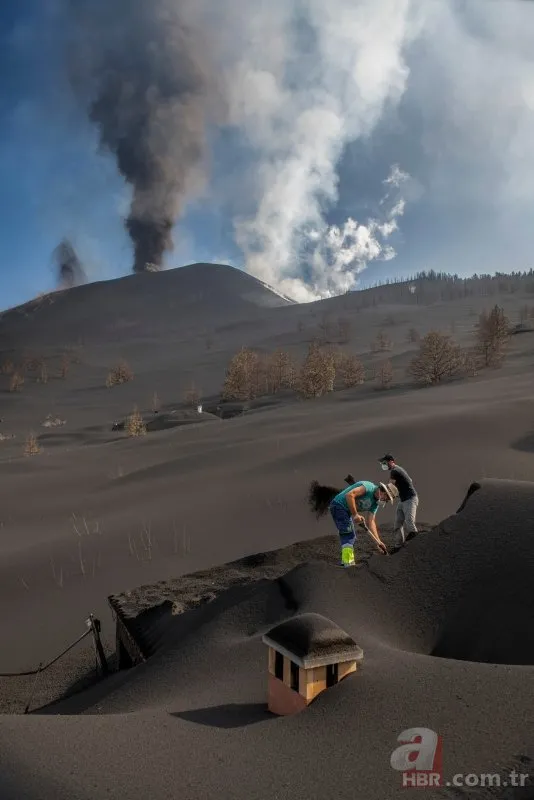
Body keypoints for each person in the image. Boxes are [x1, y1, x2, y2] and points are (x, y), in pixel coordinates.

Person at [329, 480, 394, 566]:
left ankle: (346, 561)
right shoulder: (368, 487)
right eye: (387, 498)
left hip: (346, 511)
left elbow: (371, 521)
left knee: (349, 534)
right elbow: (349, 495)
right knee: (348, 534)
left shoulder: (375, 504)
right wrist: (355, 515)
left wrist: (378, 541)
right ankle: (348, 563)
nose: (385, 500)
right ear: (383, 492)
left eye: (387, 500)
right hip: (338, 505)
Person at [378, 454, 419, 550]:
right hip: (403, 500)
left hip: (410, 499)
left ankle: (416, 544)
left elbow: (391, 486)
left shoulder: (395, 471)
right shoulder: (398, 470)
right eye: (382, 463)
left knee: (410, 522)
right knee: (398, 523)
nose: (383, 465)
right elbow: (410, 480)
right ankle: (398, 546)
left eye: (385, 463)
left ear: (391, 461)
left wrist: (383, 496)